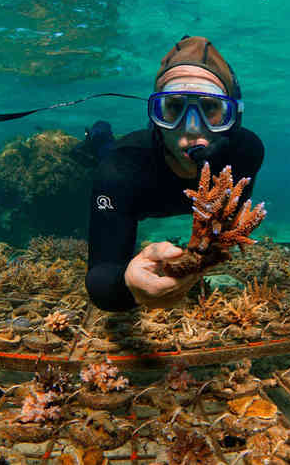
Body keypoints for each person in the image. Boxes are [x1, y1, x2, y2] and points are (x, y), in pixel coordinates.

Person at [85, 36, 264, 311]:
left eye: (210, 108)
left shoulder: (247, 151)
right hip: (131, 179)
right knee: (104, 150)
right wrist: (129, 285)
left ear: (233, 119)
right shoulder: (119, 169)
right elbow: (101, 277)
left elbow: (227, 226)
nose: (191, 129)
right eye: (174, 108)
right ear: (156, 115)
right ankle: (98, 135)